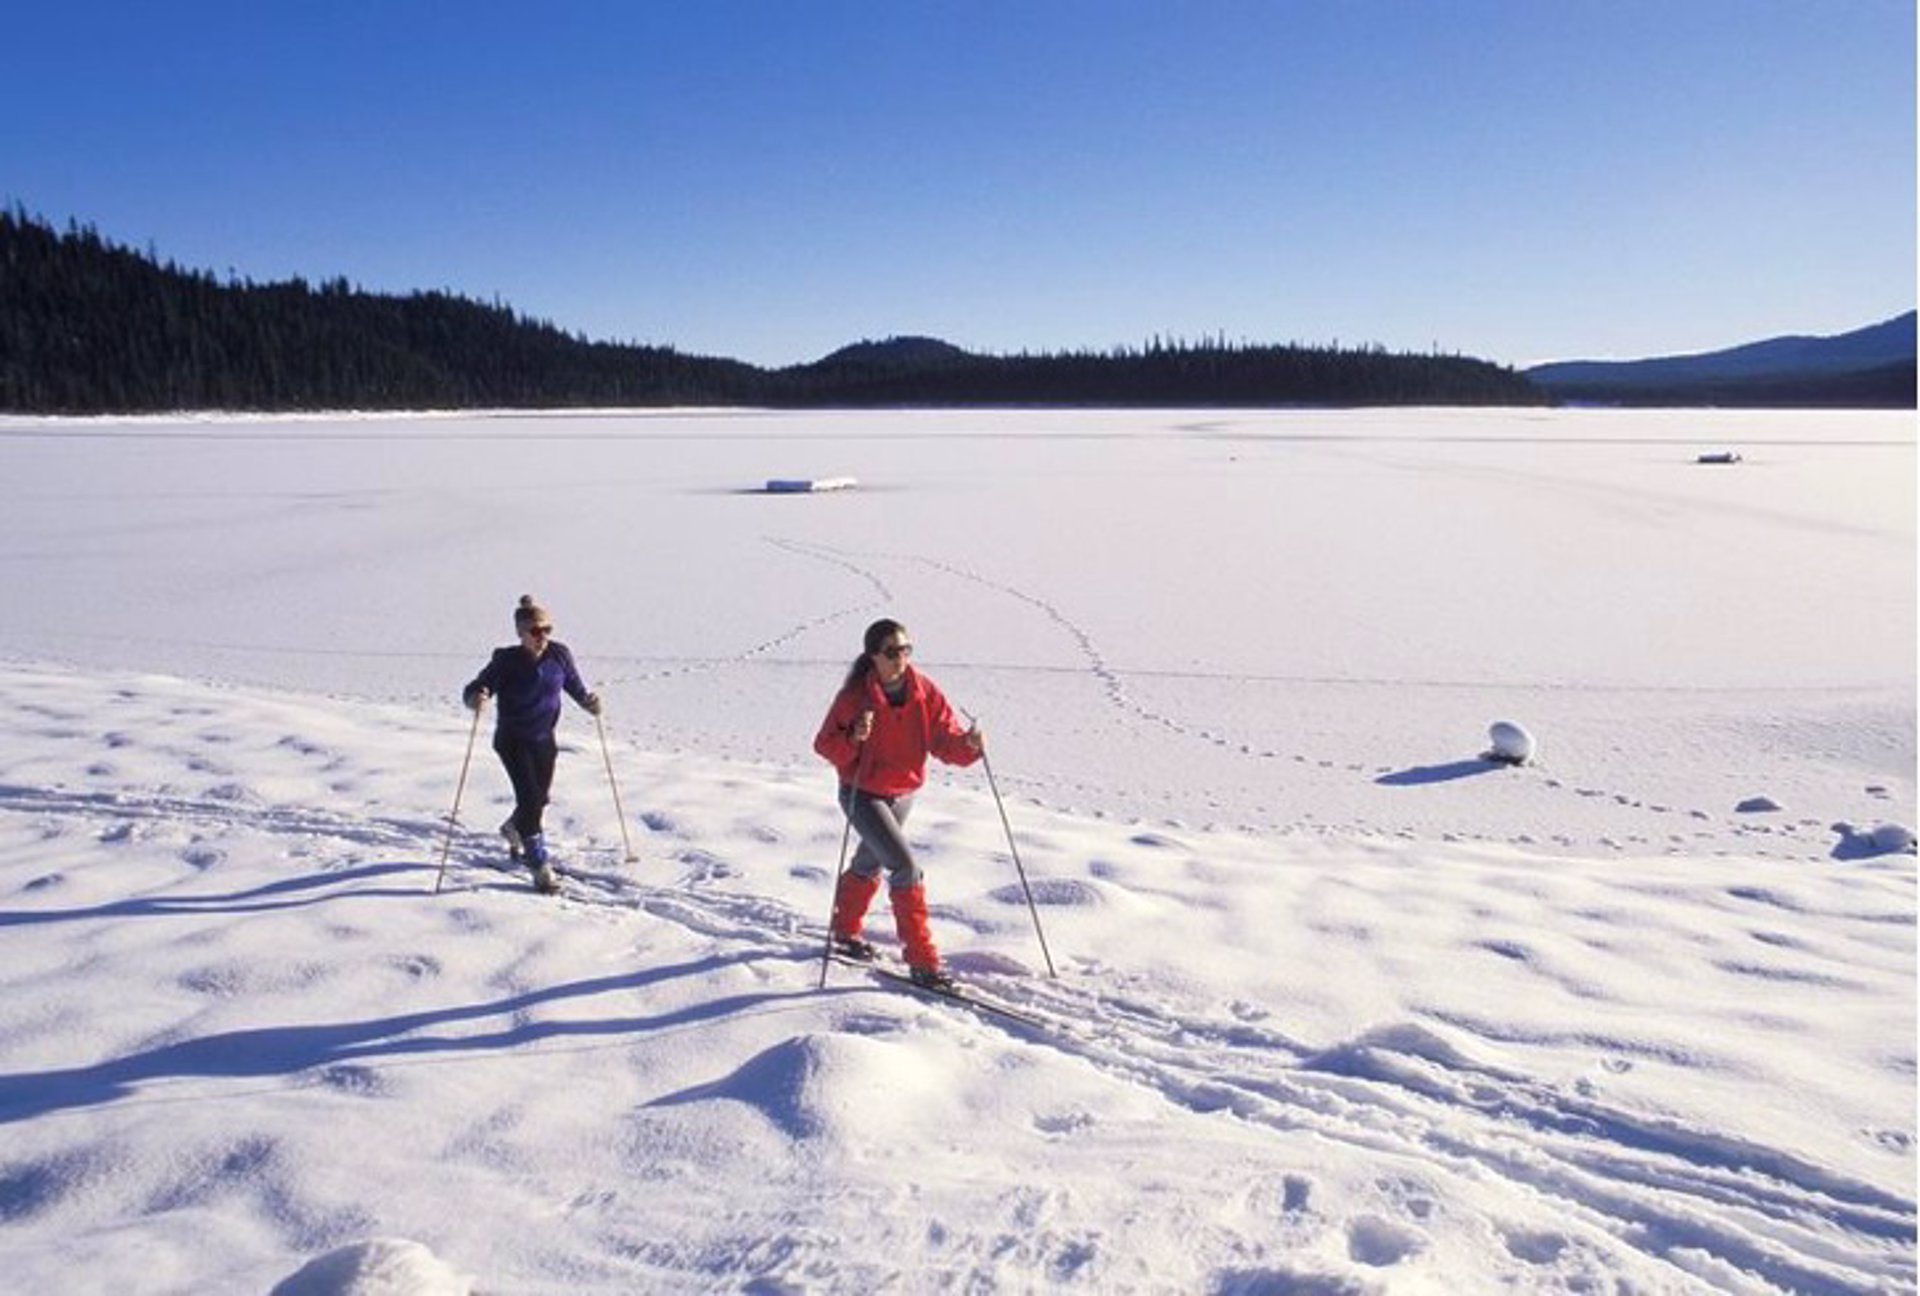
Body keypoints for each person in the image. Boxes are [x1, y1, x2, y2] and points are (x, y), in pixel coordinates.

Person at [814, 618, 982, 989]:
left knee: (870, 860)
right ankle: (922, 963)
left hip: (903, 792)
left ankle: (843, 932)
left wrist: (968, 747)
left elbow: (944, 740)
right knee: (905, 868)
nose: (900, 658)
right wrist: (855, 738)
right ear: (873, 656)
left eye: (906, 650)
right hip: (863, 792)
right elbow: (826, 745)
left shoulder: (924, 691)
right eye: (891, 652)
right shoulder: (854, 698)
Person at [462, 595, 602, 894]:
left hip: (544, 740)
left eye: (547, 629)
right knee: (529, 801)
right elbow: (476, 687)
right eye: (535, 631)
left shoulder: (559, 655)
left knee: (540, 799)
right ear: (520, 633)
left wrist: (589, 703)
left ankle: (514, 828)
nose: (543, 637)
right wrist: (477, 697)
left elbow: (574, 686)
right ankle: (539, 866)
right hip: (513, 741)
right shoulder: (506, 661)